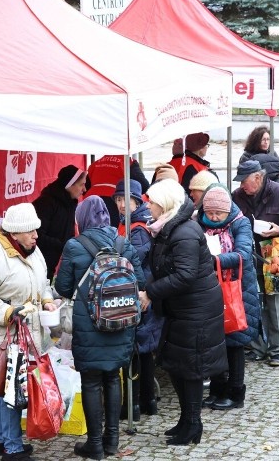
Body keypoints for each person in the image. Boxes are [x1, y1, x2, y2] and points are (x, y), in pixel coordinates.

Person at [55, 196, 144, 460]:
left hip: (89, 323)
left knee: (92, 380)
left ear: (81, 218)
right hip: (121, 320)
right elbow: (139, 280)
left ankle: (94, 444)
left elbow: (63, 288)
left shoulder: (74, 245)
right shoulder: (122, 241)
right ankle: (112, 441)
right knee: (112, 376)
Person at [139, 179, 226, 446]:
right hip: (182, 309)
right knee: (178, 366)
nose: (148, 207)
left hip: (196, 310)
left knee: (190, 369)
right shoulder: (167, 228)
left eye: (151, 202)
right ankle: (186, 421)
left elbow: (185, 275)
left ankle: (193, 425)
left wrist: (151, 292)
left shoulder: (184, 232)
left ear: (164, 204)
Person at [0, 203, 55, 461]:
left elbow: (43, 283)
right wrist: (7, 312)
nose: (36, 235)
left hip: (29, 330)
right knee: (13, 389)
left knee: (3, 387)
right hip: (4, 334)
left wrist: (48, 299)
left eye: (36, 230)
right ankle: (12, 448)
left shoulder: (33, 251)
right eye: (30, 231)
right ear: (14, 234)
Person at [231, 159, 279, 366]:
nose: (242, 185)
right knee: (251, 302)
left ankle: (277, 350)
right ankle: (257, 347)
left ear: (258, 177)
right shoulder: (238, 196)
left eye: (244, 181)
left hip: (276, 255)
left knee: (277, 304)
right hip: (249, 255)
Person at [197, 185, 259, 410]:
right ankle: (217, 390)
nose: (213, 217)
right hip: (211, 289)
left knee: (234, 344)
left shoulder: (240, 223)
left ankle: (236, 393)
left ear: (227, 211)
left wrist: (215, 260)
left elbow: (243, 254)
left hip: (237, 291)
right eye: (209, 213)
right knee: (215, 343)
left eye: (218, 214)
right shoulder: (199, 222)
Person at [112, 179, 161, 421]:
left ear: (137, 200)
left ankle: (133, 404)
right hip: (141, 292)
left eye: (125, 199)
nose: (121, 204)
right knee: (143, 349)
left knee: (136, 349)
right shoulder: (131, 223)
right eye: (118, 200)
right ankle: (147, 400)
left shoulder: (138, 228)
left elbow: (137, 260)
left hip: (140, 294)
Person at [33, 164, 87, 280]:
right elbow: (37, 236)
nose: (84, 189)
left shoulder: (70, 202)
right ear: (69, 185)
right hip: (38, 262)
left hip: (52, 261)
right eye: (81, 184)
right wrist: (62, 244)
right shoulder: (46, 203)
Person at [84, 155, 150, 224]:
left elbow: (85, 187)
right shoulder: (127, 161)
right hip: (114, 200)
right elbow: (145, 186)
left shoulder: (96, 163)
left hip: (91, 202)